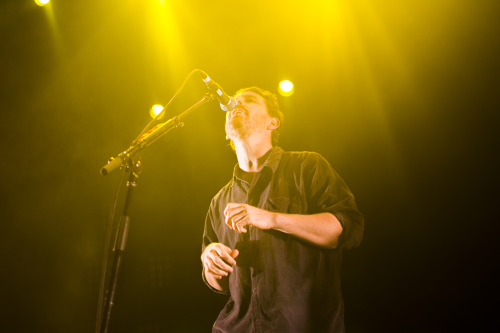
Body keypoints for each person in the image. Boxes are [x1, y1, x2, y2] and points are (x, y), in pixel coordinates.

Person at [200, 86, 364, 332]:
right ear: (227, 133)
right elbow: (219, 284)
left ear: (272, 122)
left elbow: (343, 230)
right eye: (235, 101)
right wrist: (210, 261)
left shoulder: (307, 166)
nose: (236, 103)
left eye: (249, 100)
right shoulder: (218, 201)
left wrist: (271, 218)